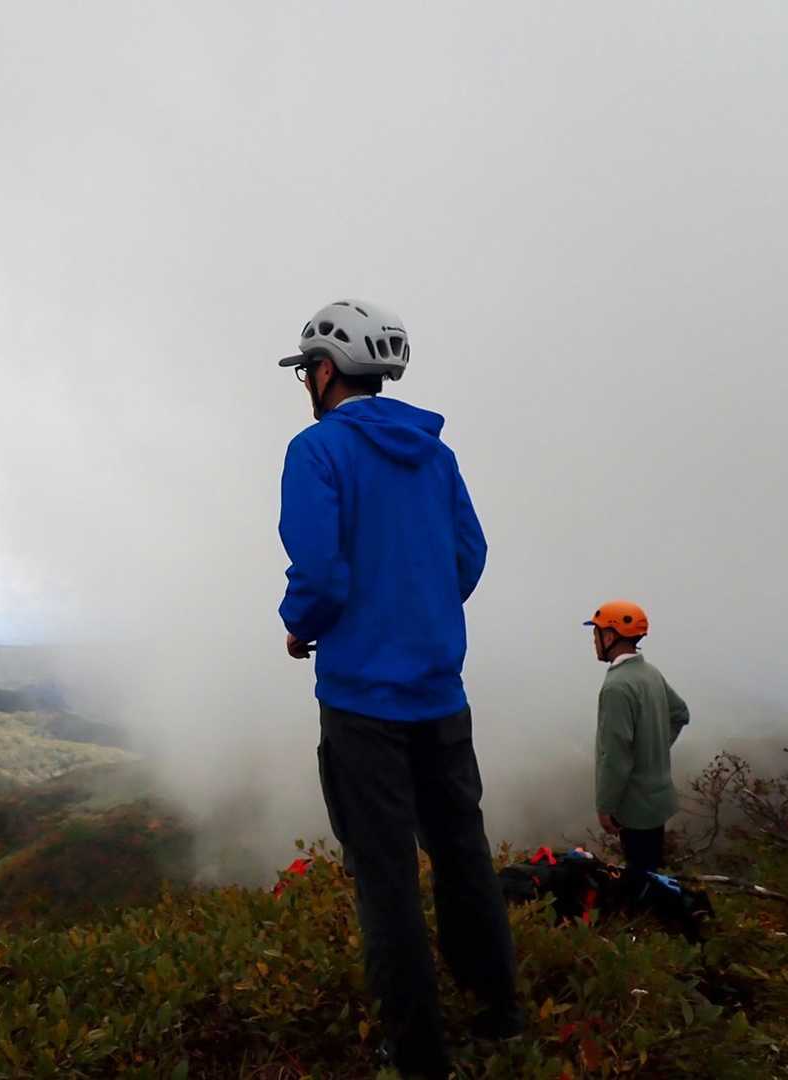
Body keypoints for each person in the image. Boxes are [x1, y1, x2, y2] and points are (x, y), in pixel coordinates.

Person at [277, 299, 521, 1078]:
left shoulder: (317, 450)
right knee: (461, 853)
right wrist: (422, 612)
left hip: (361, 703)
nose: (305, 384)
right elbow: (469, 555)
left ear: (325, 371)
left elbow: (320, 575)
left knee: (385, 877)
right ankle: (499, 1013)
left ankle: (417, 1052)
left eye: (306, 371)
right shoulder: (434, 454)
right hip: (441, 692)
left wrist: (301, 624)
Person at [584, 600, 690, 898]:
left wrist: (605, 806)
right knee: (651, 871)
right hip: (658, 797)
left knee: (641, 881)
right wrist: (654, 749)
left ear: (609, 636)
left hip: (634, 803)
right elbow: (680, 714)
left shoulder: (617, 687)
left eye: (596, 634)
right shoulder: (650, 673)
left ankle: (652, 918)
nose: (594, 642)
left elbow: (615, 756)